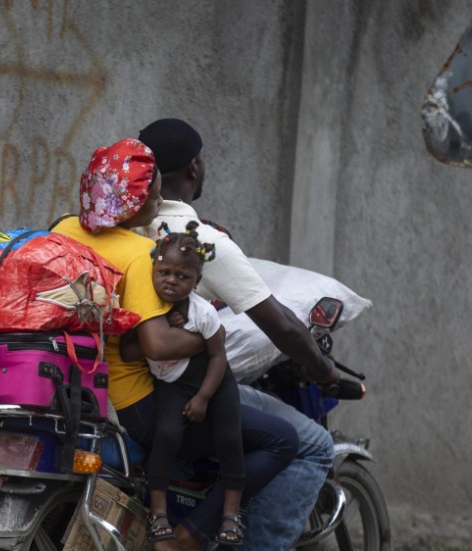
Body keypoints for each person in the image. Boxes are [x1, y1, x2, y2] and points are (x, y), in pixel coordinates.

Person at [52, 137, 299, 551]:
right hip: (138, 405)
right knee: (283, 439)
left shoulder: (63, 227)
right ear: (135, 202)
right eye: (153, 192)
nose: (160, 198)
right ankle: (190, 537)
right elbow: (157, 344)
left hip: (81, 386)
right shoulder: (141, 252)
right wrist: (211, 339)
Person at [137, 118, 341, 550]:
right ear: (193, 168)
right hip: (176, 389)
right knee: (313, 445)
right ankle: (199, 536)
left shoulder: (119, 227)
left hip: (123, 386)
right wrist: (323, 370)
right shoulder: (201, 243)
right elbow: (283, 326)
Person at [120, 222, 245, 546]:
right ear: (154, 269)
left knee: (229, 438)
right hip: (172, 384)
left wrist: (204, 397)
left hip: (212, 380)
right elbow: (128, 350)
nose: (171, 281)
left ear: (197, 281)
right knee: (167, 435)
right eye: (165, 273)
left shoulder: (203, 314)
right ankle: (158, 514)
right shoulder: (148, 310)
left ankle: (231, 514)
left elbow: (218, 356)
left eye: (183, 277)